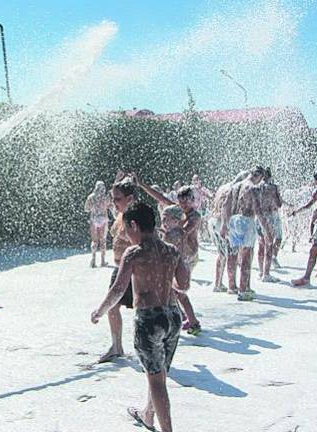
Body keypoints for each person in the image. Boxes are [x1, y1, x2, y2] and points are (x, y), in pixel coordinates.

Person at [91, 202, 189, 432]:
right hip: (173, 317)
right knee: (160, 372)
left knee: (156, 380)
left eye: (126, 228)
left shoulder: (134, 253)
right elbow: (183, 285)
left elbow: (117, 289)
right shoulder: (171, 251)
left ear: (134, 225)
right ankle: (147, 414)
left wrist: (100, 311)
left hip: (149, 320)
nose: (125, 233)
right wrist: (166, 279)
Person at [98, 173, 138, 363]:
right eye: (113, 199)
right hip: (120, 268)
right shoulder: (123, 214)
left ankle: (123, 347)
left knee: (135, 309)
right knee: (113, 309)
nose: (114, 203)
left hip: (131, 270)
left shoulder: (134, 218)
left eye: (117, 199)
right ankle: (117, 346)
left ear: (130, 199)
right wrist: (117, 180)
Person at [220, 166, 271, 301]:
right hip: (246, 221)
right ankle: (243, 290)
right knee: (246, 256)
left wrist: (224, 224)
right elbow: (258, 211)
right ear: (259, 176)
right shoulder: (253, 188)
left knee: (232, 254)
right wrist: (267, 231)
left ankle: (232, 286)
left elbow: (225, 205)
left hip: (233, 220)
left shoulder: (235, 186)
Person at [160, 204, 201, 335]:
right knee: (180, 295)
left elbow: (165, 252)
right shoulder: (180, 231)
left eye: (166, 219)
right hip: (182, 267)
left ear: (176, 221)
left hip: (173, 269)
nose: (163, 222)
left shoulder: (171, 235)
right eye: (162, 219)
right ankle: (192, 320)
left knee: (170, 295)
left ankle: (177, 321)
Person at [256, 167, 283, 282]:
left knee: (261, 244)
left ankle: (260, 271)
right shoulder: (273, 187)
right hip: (270, 217)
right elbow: (279, 204)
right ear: (270, 176)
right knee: (269, 245)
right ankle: (266, 274)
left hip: (259, 217)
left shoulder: (257, 187)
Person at [84, 181, 113, 267]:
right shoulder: (105, 197)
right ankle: (102, 261)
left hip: (94, 220)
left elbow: (86, 209)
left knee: (94, 241)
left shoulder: (90, 197)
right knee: (103, 240)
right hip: (103, 219)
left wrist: (94, 208)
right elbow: (110, 206)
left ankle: (93, 260)